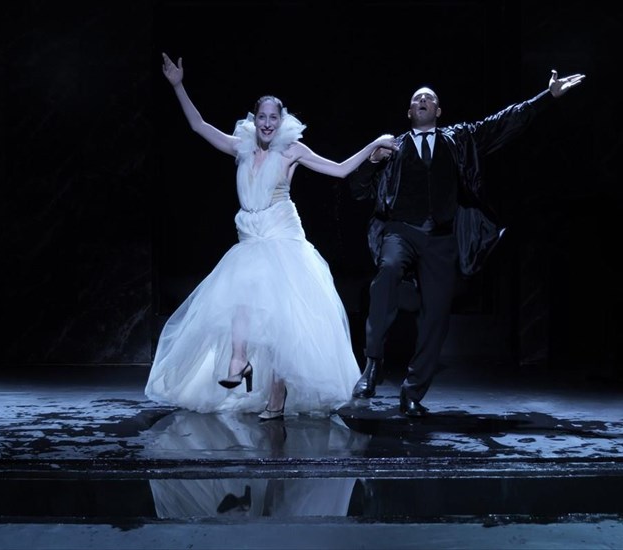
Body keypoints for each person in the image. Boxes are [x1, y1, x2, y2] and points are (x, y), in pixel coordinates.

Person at [144, 54, 398, 421]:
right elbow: (199, 125)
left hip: (282, 237)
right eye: (261, 117)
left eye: (273, 118)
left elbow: (340, 170)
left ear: (281, 121)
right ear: (254, 119)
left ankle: (277, 395)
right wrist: (178, 85)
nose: (266, 123)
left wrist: (373, 144)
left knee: (281, 317)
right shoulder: (241, 147)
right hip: (251, 237)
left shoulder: (292, 150)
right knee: (240, 297)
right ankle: (239, 361)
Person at [347, 69, 585, 417]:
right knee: (387, 272)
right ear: (409, 112)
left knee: (437, 314)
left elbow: (505, 122)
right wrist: (371, 162)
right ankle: (373, 363)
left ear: (438, 111)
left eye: (429, 98)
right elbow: (357, 189)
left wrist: (546, 97)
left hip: (441, 238)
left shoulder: (459, 139)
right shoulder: (392, 147)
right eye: (417, 99)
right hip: (401, 230)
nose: (423, 100)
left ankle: (413, 392)